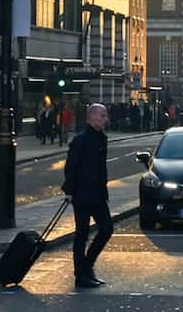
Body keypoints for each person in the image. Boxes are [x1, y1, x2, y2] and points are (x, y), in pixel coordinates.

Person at [62, 103, 113, 289]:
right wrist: (69, 191)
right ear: (91, 118)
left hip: (98, 193)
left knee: (107, 229)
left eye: (105, 116)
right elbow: (71, 166)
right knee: (81, 235)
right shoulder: (81, 139)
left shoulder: (101, 138)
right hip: (82, 194)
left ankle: (87, 266)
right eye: (102, 116)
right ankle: (80, 274)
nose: (105, 119)